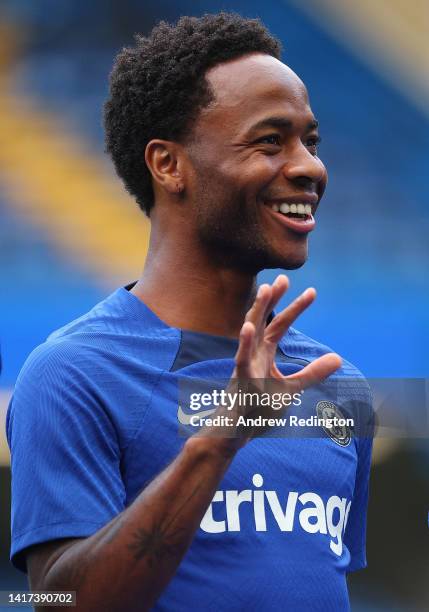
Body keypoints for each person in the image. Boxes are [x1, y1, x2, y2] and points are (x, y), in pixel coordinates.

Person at [7, 12, 373, 611]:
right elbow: (59, 602)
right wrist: (221, 438)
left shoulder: (338, 388)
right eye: (269, 140)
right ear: (168, 165)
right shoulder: (73, 375)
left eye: (310, 140)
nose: (309, 166)